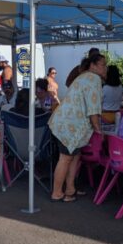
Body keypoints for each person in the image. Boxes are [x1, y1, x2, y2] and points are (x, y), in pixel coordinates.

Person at [49, 53, 107, 202]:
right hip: (70, 125)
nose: (105, 68)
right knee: (66, 158)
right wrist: (98, 130)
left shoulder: (83, 76)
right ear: (93, 65)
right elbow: (93, 109)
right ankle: (57, 192)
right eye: (102, 65)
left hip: (63, 122)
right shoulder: (94, 79)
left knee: (74, 157)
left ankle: (70, 189)